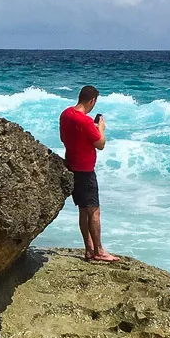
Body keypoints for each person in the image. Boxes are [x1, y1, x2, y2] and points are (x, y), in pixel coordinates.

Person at [60, 85, 117, 262]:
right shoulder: (85, 122)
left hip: (71, 165)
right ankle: (99, 251)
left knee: (83, 210)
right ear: (92, 101)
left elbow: (66, 137)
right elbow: (100, 144)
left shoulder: (66, 114)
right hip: (85, 170)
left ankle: (89, 249)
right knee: (94, 211)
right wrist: (101, 127)